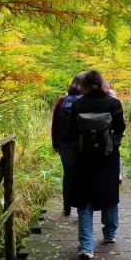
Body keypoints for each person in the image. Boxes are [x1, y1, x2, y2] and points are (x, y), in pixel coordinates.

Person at [69, 70, 126, 260]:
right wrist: (113, 144)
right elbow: (120, 128)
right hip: (107, 158)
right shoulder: (113, 103)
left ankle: (86, 247)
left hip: (84, 159)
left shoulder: (78, 104)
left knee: (84, 201)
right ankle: (109, 234)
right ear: (102, 83)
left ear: (84, 85)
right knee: (109, 195)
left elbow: (71, 131)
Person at [51, 73, 85, 216]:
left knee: (68, 174)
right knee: (82, 175)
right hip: (84, 144)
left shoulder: (62, 101)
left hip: (65, 144)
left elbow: (55, 125)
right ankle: (81, 207)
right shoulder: (86, 101)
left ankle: (67, 205)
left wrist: (56, 144)